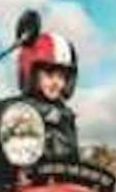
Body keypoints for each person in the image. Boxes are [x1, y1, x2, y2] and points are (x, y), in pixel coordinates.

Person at [16, 30, 81, 163]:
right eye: (50, 74)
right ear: (31, 74)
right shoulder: (19, 109)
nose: (56, 82)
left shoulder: (66, 115)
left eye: (62, 77)